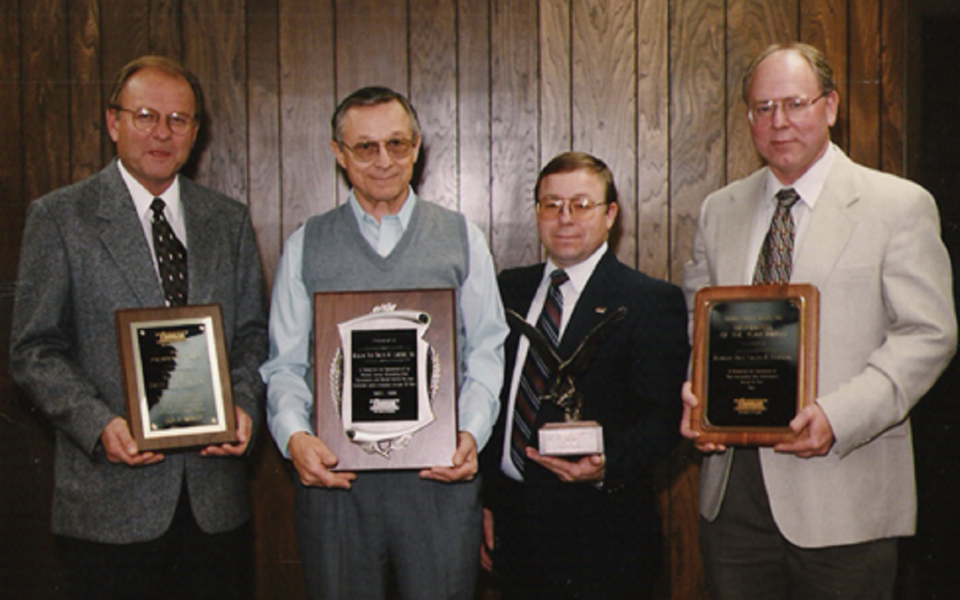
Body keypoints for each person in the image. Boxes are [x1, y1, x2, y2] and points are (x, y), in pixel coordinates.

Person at [680, 42, 957, 600]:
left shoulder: (897, 205)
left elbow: (928, 333)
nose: (778, 122)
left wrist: (838, 415)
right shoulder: (719, 210)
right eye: (763, 108)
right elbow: (702, 329)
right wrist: (699, 400)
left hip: (844, 492)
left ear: (830, 106)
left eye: (794, 103)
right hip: (733, 497)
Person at [9, 56, 268, 600]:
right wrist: (100, 425)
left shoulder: (228, 219)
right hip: (109, 506)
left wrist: (242, 406)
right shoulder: (60, 217)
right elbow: (34, 350)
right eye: (146, 114)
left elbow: (251, 336)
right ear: (113, 122)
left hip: (214, 505)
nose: (162, 132)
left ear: (196, 133)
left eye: (179, 120)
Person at [260, 85, 508, 600]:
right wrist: (294, 438)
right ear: (338, 154)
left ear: (416, 147)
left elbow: (486, 349)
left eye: (397, 144)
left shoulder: (462, 236)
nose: (383, 161)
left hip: (438, 479)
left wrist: (472, 435)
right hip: (337, 484)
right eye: (365, 147)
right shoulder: (306, 243)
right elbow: (284, 364)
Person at [480, 151, 689, 600]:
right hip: (515, 528)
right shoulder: (506, 289)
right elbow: (490, 402)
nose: (565, 218)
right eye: (551, 204)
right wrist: (487, 500)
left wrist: (605, 464)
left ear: (610, 214)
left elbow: (664, 419)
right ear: (537, 212)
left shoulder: (650, 300)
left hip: (603, 532)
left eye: (581, 204)